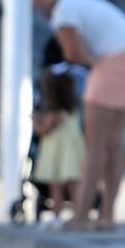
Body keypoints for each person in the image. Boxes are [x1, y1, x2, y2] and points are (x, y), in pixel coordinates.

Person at [30, 0, 125, 232]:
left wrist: (96, 68)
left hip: (117, 60)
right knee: (111, 142)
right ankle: (106, 215)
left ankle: (82, 216)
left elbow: (74, 55)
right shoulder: (73, 4)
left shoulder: (64, 11)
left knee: (96, 145)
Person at [32, 64, 87, 225]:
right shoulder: (73, 109)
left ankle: (57, 216)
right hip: (72, 152)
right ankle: (79, 214)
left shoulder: (55, 112)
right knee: (73, 185)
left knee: (56, 186)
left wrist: (34, 120)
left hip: (57, 154)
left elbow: (43, 130)